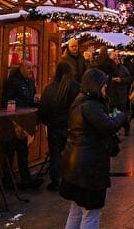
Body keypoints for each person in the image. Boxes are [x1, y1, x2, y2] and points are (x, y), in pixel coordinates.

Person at [60, 69, 128, 228]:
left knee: (76, 211)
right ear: (95, 85)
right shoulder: (91, 105)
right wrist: (120, 116)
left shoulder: (80, 101)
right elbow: (108, 127)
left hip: (75, 164)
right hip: (89, 168)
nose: (106, 88)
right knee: (91, 213)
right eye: (103, 85)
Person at [2, 61, 42, 189]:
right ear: (21, 68)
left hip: (25, 121)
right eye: (28, 68)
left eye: (32, 68)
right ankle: (7, 180)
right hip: (14, 121)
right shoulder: (13, 82)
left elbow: (32, 96)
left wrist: (35, 100)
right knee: (10, 150)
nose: (31, 70)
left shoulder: (30, 82)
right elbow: (7, 100)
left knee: (23, 150)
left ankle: (26, 178)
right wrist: (14, 112)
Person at [40, 61, 80, 191]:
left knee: (55, 153)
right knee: (71, 152)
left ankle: (56, 180)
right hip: (70, 125)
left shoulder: (50, 88)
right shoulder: (75, 87)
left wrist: (46, 120)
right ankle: (71, 178)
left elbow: (44, 108)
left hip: (54, 125)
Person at [106, 53, 133, 136]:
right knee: (112, 114)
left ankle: (126, 127)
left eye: (116, 58)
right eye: (113, 59)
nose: (115, 60)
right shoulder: (107, 70)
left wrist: (121, 80)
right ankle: (115, 130)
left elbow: (129, 79)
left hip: (121, 94)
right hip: (111, 95)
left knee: (122, 113)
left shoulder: (123, 68)